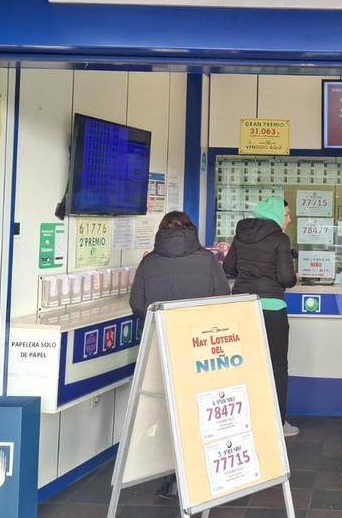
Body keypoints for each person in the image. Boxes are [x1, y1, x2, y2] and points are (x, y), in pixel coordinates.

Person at [127, 210, 228, 498]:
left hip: (161, 347)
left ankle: (171, 474)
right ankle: (203, 473)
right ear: (191, 229)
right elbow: (222, 300)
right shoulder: (208, 260)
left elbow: (137, 304)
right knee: (201, 411)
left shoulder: (149, 263)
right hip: (201, 349)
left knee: (166, 410)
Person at [223, 197, 300, 437]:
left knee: (244, 365)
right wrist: (294, 277)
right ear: (276, 214)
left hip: (242, 308)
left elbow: (228, 269)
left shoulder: (240, 235)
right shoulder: (280, 239)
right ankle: (277, 422)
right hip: (272, 309)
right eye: (286, 214)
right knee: (277, 366)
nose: (289, 219)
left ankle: (244, 420)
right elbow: (287, 278)